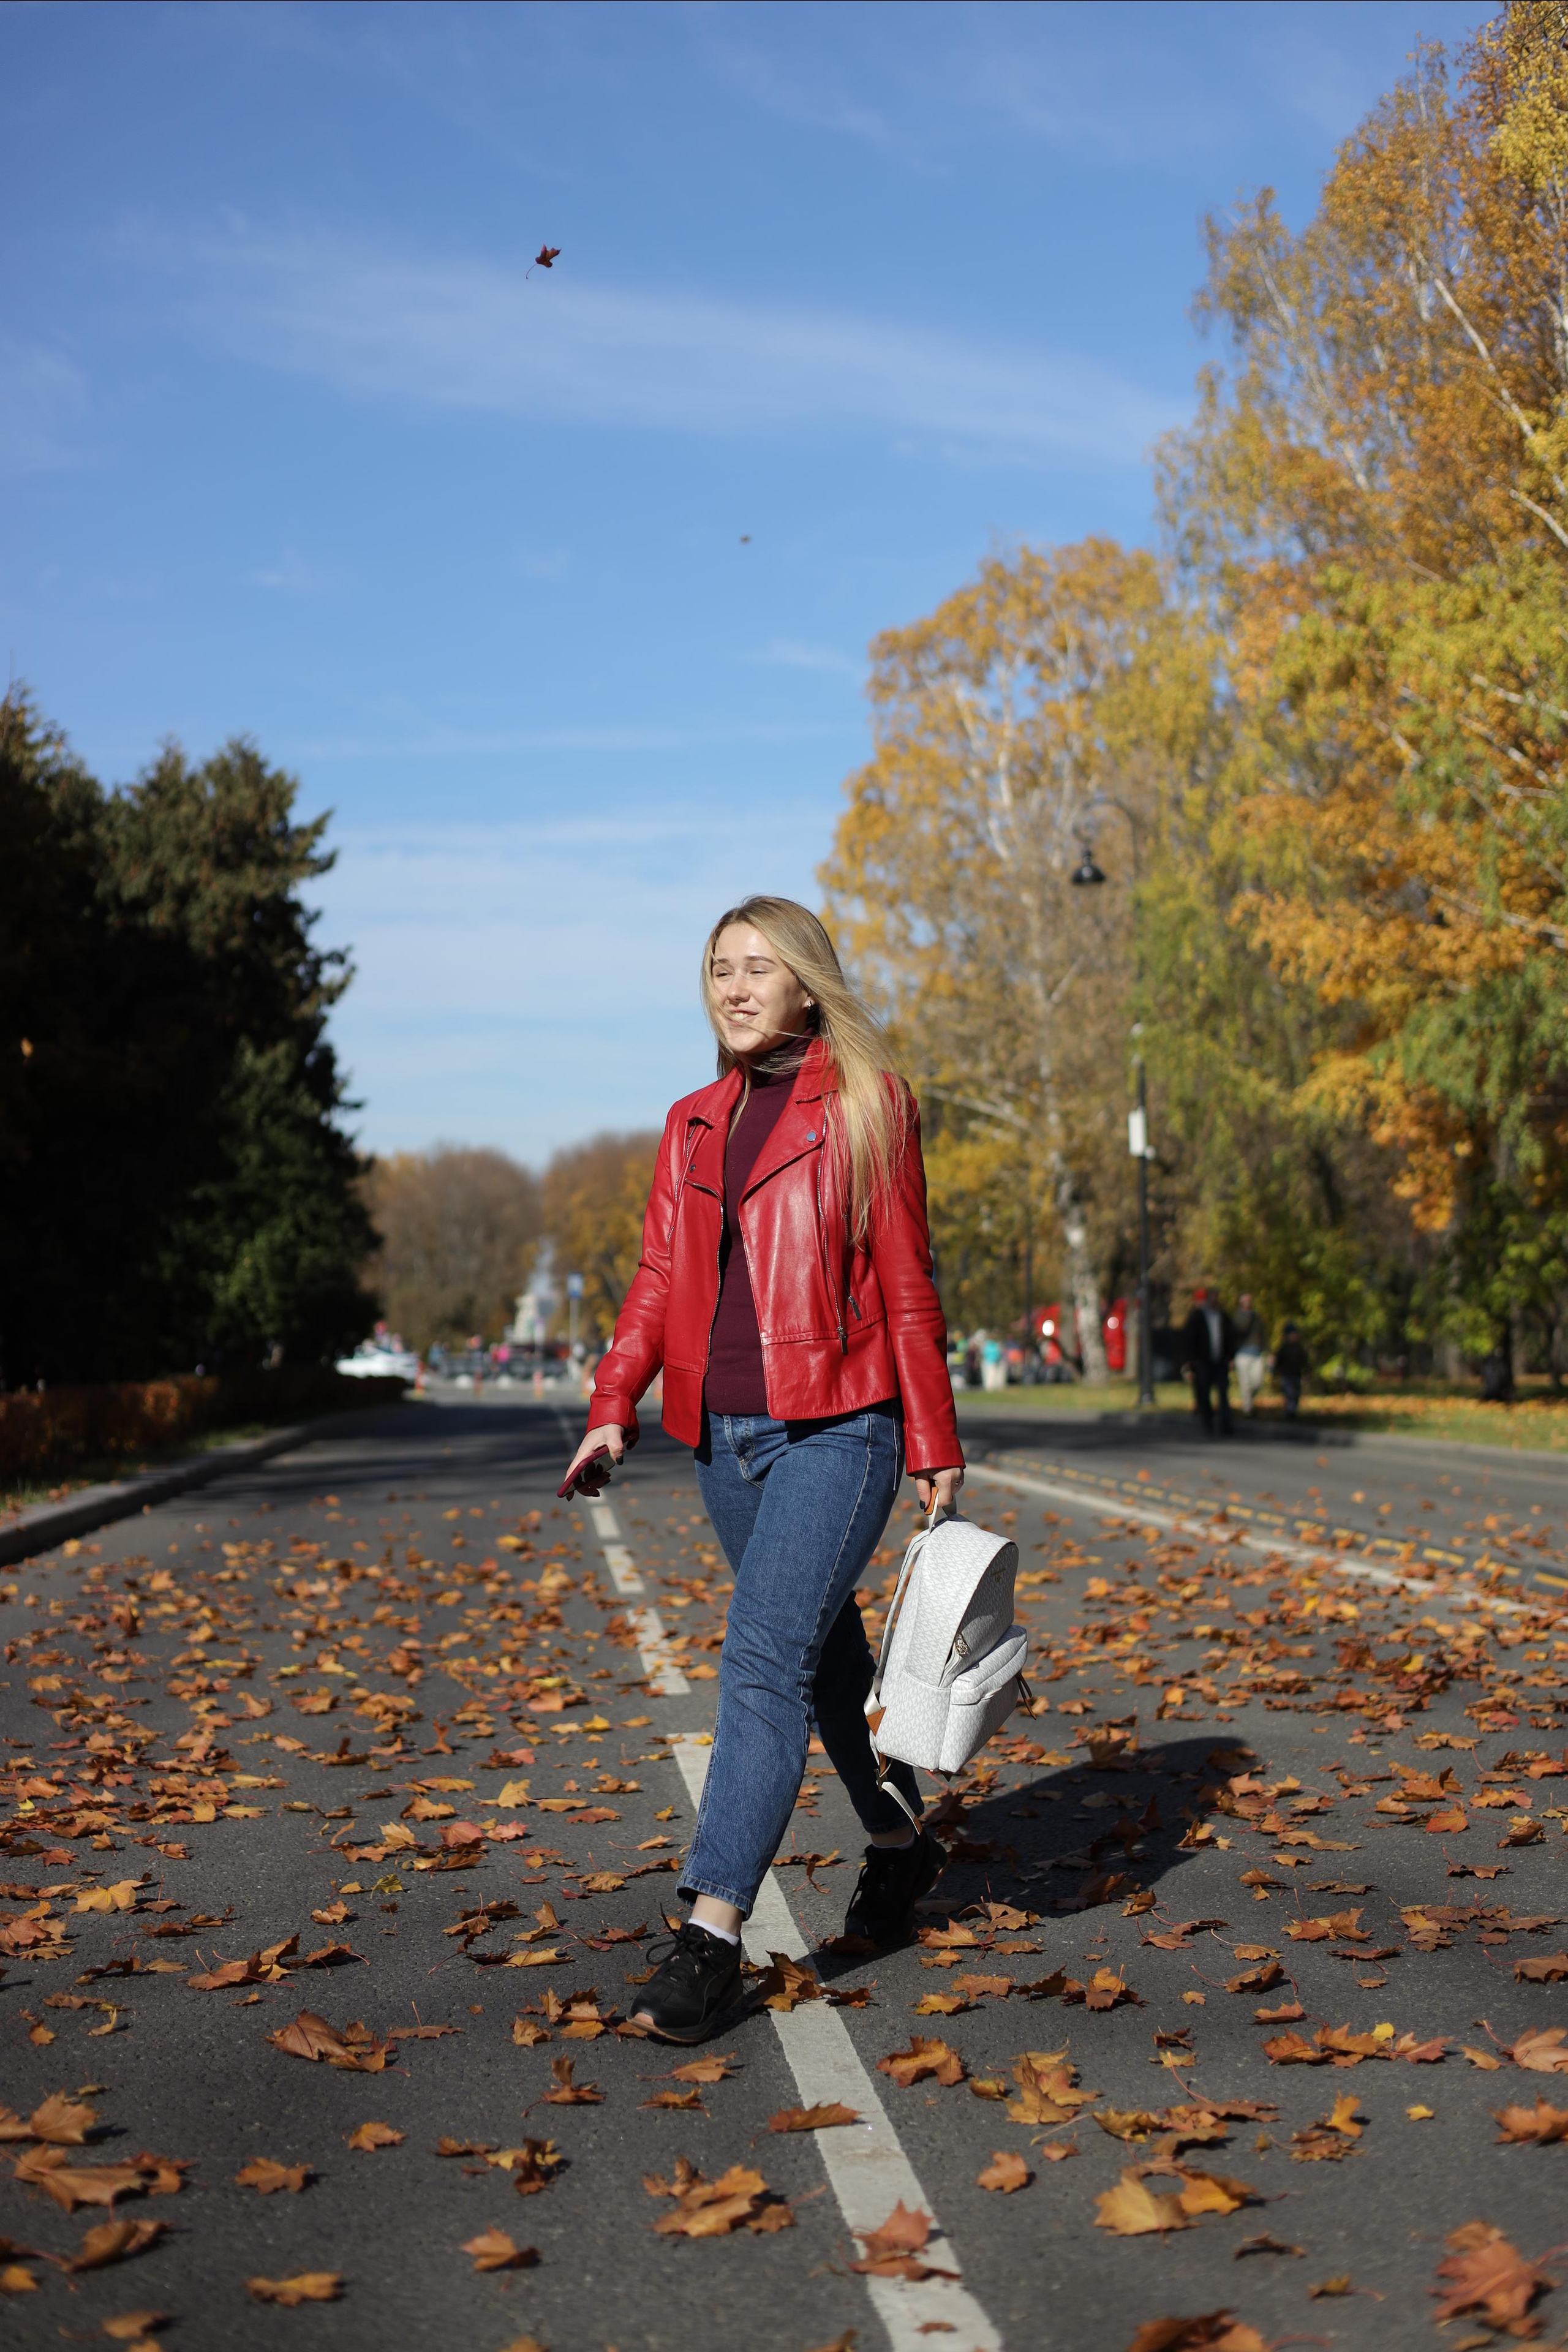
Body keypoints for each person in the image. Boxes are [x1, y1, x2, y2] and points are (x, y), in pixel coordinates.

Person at [560, 896, 964, 2043]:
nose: (735, 987)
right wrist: (612, 1406)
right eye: (720, 969)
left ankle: (711, 1932)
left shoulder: (870, 1108)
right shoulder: (692, 1122)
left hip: (841, 1425)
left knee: (759, 1664)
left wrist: (933, 1441)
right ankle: (900, 1847)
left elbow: (905, 1283)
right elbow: (652, 1280)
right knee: (826, 1665)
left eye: (759, 969)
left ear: (806, 986)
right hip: (724, 1439)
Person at [1181, 1285, 1234, 1435]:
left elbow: (1230, 1337)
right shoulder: (1198, 1316)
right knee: (1204, 1393)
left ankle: (1225, 1423)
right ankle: (1208, 1422)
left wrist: (1230, 1357)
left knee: (1223, 1392)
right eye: (1212, 1298)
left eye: (1216, 1297)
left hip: (1221, 1360)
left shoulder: (1223, 1316)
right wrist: (1191, 1359)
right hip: (1203, 1362)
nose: (1214, 1300)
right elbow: (1189, 1338)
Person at [1232, 1293, 1267, 1417]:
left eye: (1249, 1300)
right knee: (1245, 1382)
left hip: (1257, 1353)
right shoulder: (1237, 1318)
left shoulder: (1256, 1317)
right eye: (1245, 1301)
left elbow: (1262, 1335)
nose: (1248, 1303)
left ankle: (1249, 1400)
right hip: (1242, 1353)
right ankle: (1248, 1408)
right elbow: (1236, 1334)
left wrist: (1267, 1350)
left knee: (1257, 1382)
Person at [1273, 1321, 1309, 1419]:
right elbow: (1278, 1361)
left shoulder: (1300, 1348)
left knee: (1296, 1394)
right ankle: (1289, 1411)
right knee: (1289, 1394)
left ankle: (1293, 1411)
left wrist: (1307, 1371)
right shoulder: (1284, 1348)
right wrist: (1276, 1372)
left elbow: (1304, 1361)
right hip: (1287, 1375)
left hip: (1297, 1374)